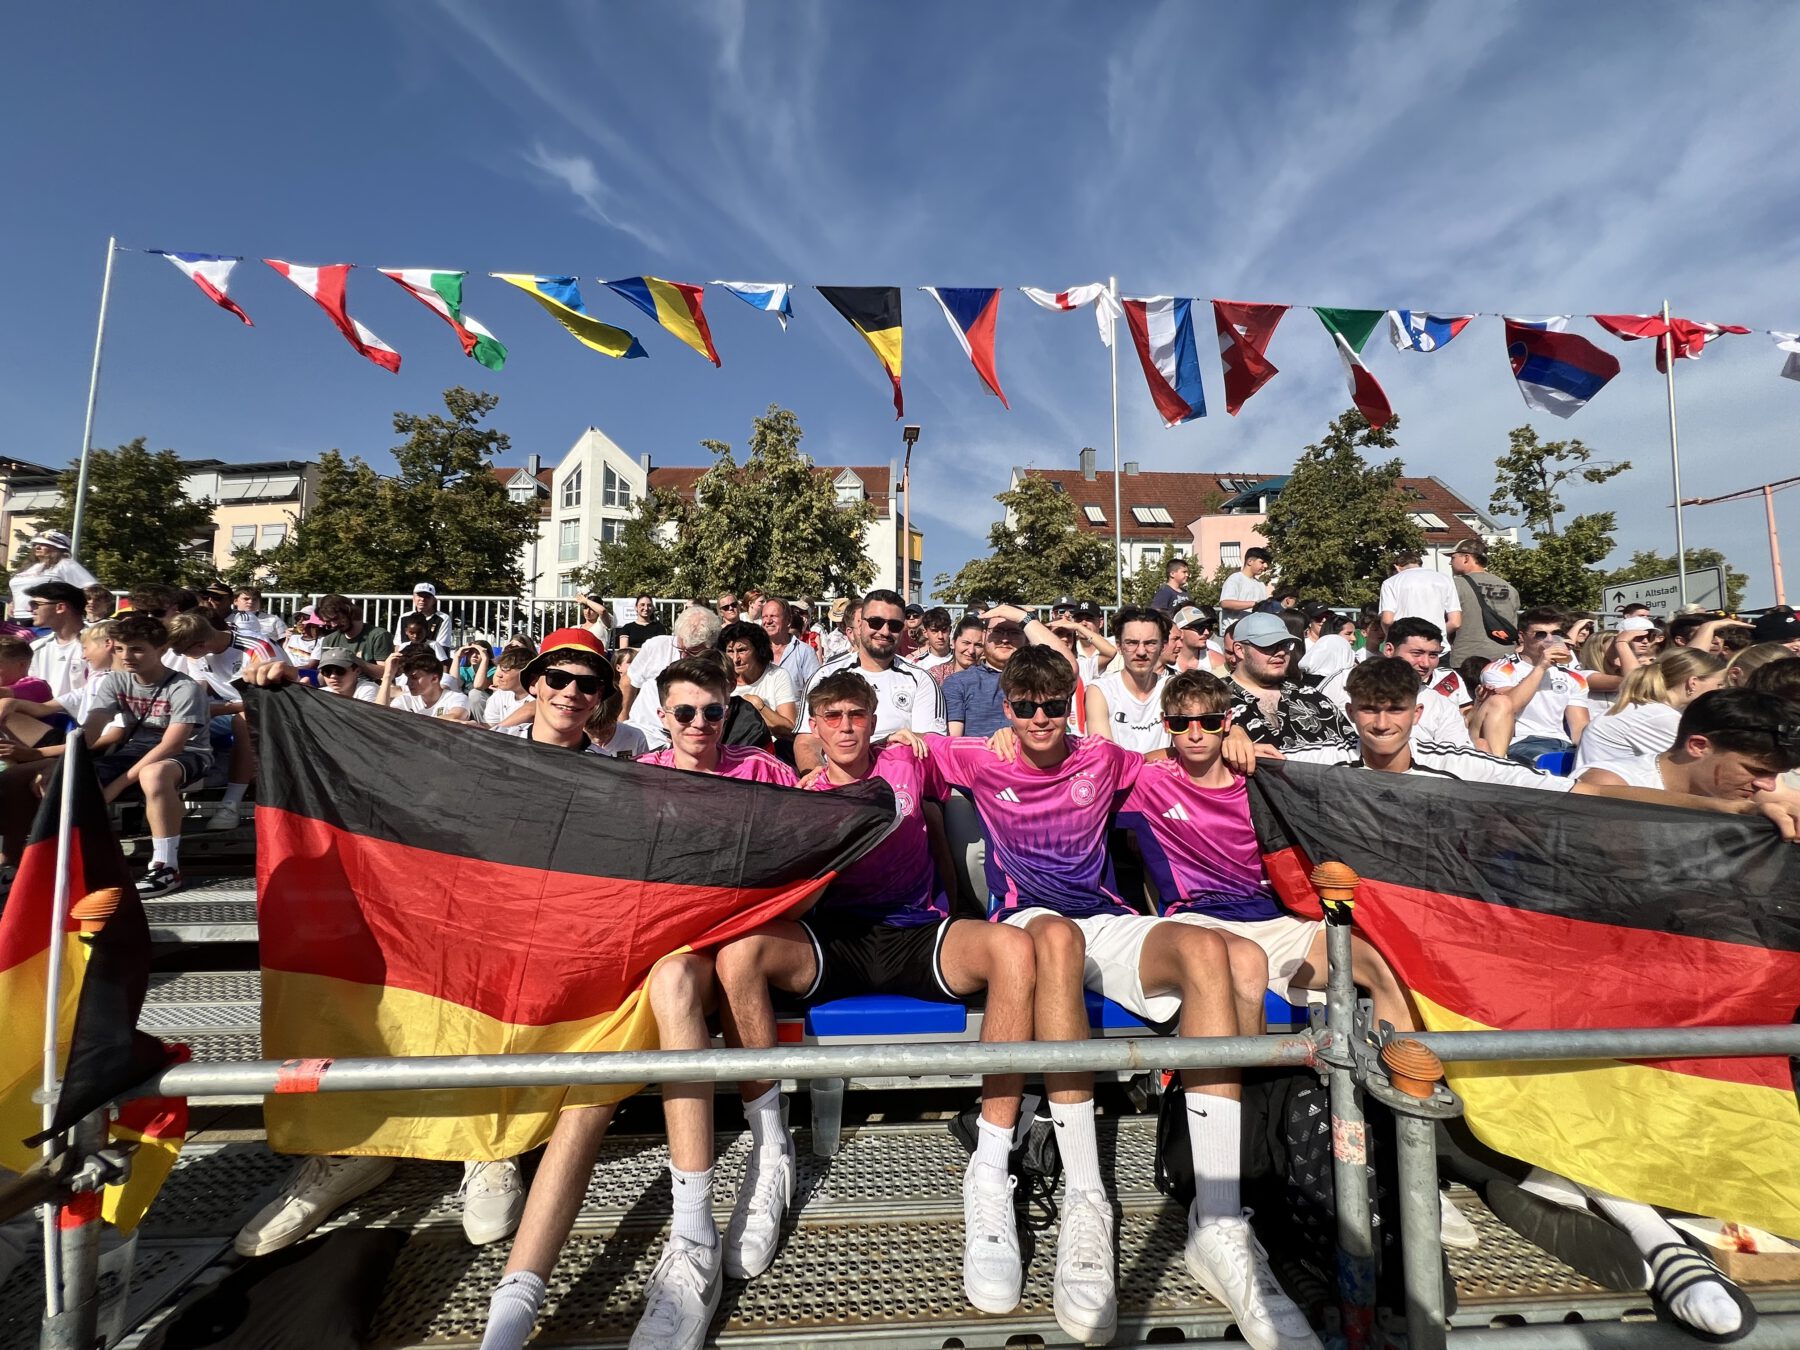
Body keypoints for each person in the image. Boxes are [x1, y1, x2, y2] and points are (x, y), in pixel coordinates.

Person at [934, 645, 1313, 1347]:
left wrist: (1233, 736)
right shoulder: (979, 757)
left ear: (1071, 704)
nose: (1040, 719)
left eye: (1053, 706)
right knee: (1055, 939)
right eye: (1025, 707)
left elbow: (1180, 758)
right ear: (1006, 708)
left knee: (1210, 950)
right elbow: (893, 752)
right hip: (1028, 921)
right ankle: (1087, 1197)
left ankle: (1217, 1220)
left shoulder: (1105, 758)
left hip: (1105, 918)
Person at [694, 671, 1039, 1324]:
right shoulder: (806, 796)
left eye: (857, 714)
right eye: (833, 716)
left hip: (916, 932)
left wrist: (1005, 737)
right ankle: (771, 1152)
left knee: (1015, 950)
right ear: (815, 726)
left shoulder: (908, 759)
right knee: (739, 956)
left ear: (875, 719)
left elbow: (1005, 752)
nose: (847, 726)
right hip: (838, 940)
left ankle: (991, 1168)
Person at [82, 613, 211, 897]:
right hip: (136, 750)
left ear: (161, 650)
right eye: (120, 649)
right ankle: (78, 860)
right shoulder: (115, 681)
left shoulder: (184, 688)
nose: (126, 656)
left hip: (189, 752)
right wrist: (67, 761)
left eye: (137, 649)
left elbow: (172, 745)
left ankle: (166, 867)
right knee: (71, 777)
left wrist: (116, 785)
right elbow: (92, 728)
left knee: (153, 774)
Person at [795, 590, 946, 770]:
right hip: (837, 780)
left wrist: (883, 748)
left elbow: (932, 745)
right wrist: (817, 777)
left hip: (897, 778)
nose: (885, 631)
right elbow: (807, 741)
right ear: (860, 625)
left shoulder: (921, 680)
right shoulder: (825, 675)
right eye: (876, 622)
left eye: (894, 625)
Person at [165, 612, 281, 829]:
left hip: (274, 711)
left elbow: (268, 700)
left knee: (242, 721)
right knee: (175, 722)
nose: (182, 656)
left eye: (182, 651)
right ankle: (173, 795)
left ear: (200, 644)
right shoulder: (196, 654)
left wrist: (212, 710)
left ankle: (230, 805)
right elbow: (198, 692)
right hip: (230, 708)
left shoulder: (256, 648)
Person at [1320, 617, 1471, 745]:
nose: (1425, 663)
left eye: (1433, 655)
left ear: (1417, 712)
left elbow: (1456, 755)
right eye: (1417, 653)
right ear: (1389, 650)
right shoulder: (1341, 681)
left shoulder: (1440, 704)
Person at [1572, 649, 1726, 773]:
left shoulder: (1648, 709)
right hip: (1607, 797)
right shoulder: (1658, 716)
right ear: (1693, 683)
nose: (1722, 690)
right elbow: (1702, 766)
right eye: (1719, 684)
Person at [1225, 612, 1352, 751]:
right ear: (1240, 650)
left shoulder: (1308, 695)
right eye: (1269, 645)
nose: (1281, 652)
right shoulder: (1215, 698)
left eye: (1285, 645)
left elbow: (1352, 746)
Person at [1481, 608, 1591, 765]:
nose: (1550, 639)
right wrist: (1541, 667)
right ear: (1522, 637)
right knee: (1551, 763)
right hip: (1521, 742)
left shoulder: (1573, 676)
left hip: (1562, 742)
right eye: (1540, 634)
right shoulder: (1501, 669)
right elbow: (1508, 705)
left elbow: (1579, 727)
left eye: (1556, 633)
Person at [620, 605, 724, 750]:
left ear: (710, 646)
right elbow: (629, 681)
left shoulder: (717, 663)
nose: (684, 655)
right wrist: (622, 720)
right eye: (681, 648)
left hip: (686, 740)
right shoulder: (657, 646)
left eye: (693, 652)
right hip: (643, 731)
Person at [1086, 607, 1171, 752]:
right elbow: (1105, 755)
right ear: (1119, 646)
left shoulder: (1172, 688)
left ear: (1162, 646)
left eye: (1150, 643)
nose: (1141, 652)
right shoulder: (1100, 691)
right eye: (1131, 643)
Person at [719, 620, 798, 737]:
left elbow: (789, 729)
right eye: (730, 651)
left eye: (742, 650)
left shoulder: (777, 675)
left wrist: (759, 706)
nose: (735, 659)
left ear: (758, 650)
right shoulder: (721, 680)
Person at [1448, 540, 1518, 667]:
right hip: (1504, 659)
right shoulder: (1509, 588)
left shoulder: (1454, 586)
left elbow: (1448, 622)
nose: (1450, 563)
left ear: (1466, 558)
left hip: (1467, 660)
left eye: (1453, 558)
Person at [8, 529, 99, 624]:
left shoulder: (65, 564)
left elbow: (92, 589)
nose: (37, 547)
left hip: (46, 621)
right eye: (35, 544)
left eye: (43, 544)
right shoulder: (30, 567)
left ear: (57, 547)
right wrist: (13, 603)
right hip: (17, 620)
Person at [24, 580, 88, 705]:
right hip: (43, 714)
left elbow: (96, 690)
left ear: (60, 607)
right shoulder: (36, 647)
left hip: (84, 716)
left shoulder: (97, 645)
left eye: (35, 604)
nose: (30, 610)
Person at [1378, 551, 1460, 639]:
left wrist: (1393, 639)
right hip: (1436, 643)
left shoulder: (1390, 582)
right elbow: (1455, 622)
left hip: (1405, 642)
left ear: (1396, 567)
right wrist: (1436, 635)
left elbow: (1387, 621)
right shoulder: (1445, 579)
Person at [377, 645, 472, 721]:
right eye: (408, 678)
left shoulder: (456, 698)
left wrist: (410, 721)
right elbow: (380, 718)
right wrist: (387, 677)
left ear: (434, 678)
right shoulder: (405, 700)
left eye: (414, 678)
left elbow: (455, 717)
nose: (408, 683)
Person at [315, 594, 396, 679]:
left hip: (370, 684)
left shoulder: (378, 635)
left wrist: (353, 659)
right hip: (338, 684)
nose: (333, 625)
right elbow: (323, 678)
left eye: (336, 619)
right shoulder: (329, 640)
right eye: (328, 622)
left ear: (349, 612)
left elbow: (385, 673)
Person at [758, 597, 820, 688]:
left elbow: (815, 689)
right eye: (764, 617)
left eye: (773, 616)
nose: (768, 621)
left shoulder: (805, 652)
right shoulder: (755, 651)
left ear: (788, 621)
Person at [395, 582, 458, 650]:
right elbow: (398, 645)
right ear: (413, 598)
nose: (422, 599)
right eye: (419, 596)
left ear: (434, 600)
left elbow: (442, 647)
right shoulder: (403, 617)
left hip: (432, 655)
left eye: (427, 597)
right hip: (406, 655)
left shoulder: (443, 618)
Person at [1218, 547, 1271, 616]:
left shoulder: (1261, 584)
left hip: (1256, 622)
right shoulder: (1235, 579)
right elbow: (1225, 603)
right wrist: (1254, 604)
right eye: (1262, 562)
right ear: (1250, 561)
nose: (1265, 566)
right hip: (1237, 623)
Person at [282, 606, 326, 671]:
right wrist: (287, 639)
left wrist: (287, 670)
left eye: (305, 618)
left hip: (301, 673)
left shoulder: (321, 641)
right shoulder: (293, 637)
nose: (300, 621)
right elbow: (282, 655)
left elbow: (311, 665)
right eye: (298, 618)